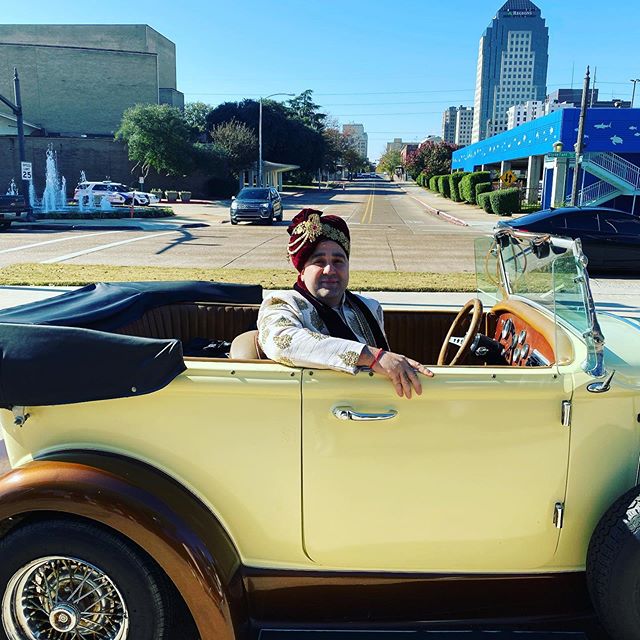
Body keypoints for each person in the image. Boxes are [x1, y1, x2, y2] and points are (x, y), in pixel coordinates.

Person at [257, 208, 433, 398]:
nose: (329, 270)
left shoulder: (370, 307)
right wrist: (374, 357)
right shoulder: (282, 303)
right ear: (302, 270)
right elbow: (281, 342)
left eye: (338, 261)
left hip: (375, 407)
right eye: (319, 261)